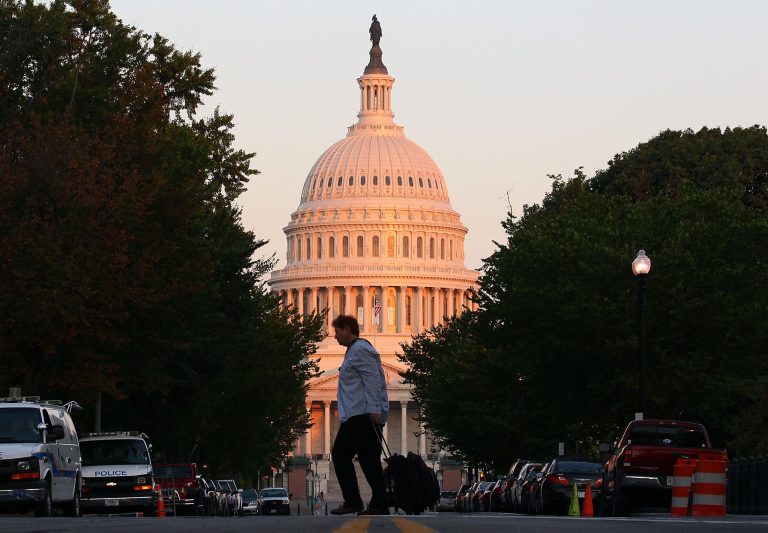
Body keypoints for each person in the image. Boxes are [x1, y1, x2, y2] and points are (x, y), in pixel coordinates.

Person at [329, 315, 390, 516]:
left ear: (348, 329)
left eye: (337, 331)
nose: (335, 336)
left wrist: (374, 409)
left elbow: (373, 380)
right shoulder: (355, 350)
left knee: (340, 455)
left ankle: (354, 501)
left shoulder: (361, 350)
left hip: (362, 414)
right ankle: (379, 503)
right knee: (369, 460)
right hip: (360, 413)